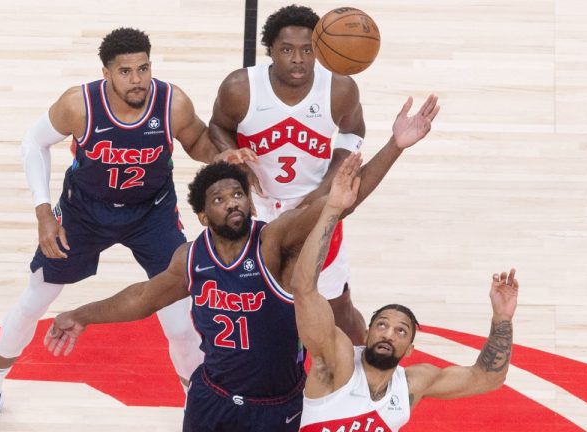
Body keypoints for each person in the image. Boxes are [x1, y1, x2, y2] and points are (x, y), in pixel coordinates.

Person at [43, 95, 439, 431]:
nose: (233, 201)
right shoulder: (192, 258)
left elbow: (340, 202)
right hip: (210, 397)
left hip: (275, 406)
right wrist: (83, 313)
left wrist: (395, 146)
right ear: (202, 216)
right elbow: (144, 297)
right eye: (219, 199)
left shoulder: (273, 240)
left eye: (238, 194)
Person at [0, 27, 231, 432]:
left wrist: (225, 154)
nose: (137, 80)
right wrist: (43, 212)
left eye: (144, 68)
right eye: (125, 72)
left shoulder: (172, 102)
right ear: (106, 74)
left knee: (179, 320)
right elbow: (33, 142)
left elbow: (197, 143)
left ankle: (196, 405)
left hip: (151, 213)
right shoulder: (78, 104)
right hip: (84, 212)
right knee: (35, 300)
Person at [290, 190, 519, 431]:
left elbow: (487, 378)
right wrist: (332, 210)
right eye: (382, 325)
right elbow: (303, 289)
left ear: (410, 349)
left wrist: (502, 318)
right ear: (366, 335)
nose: (389, 334)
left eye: (401, 331)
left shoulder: (410, 385)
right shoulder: (338, 363)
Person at [209, 4, 370, 344]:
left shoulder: (340, 89)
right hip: (258, 208)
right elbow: (217, 127)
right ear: (271, 51)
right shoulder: (240, 88)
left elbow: (353, 133)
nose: (298, 59)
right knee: (252, 301)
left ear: (320, 51)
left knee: (337, 307)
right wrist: (231, 159)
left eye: (307, 50)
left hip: (314, 204)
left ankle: (368, 375)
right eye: (287, 50)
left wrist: (328, 184)